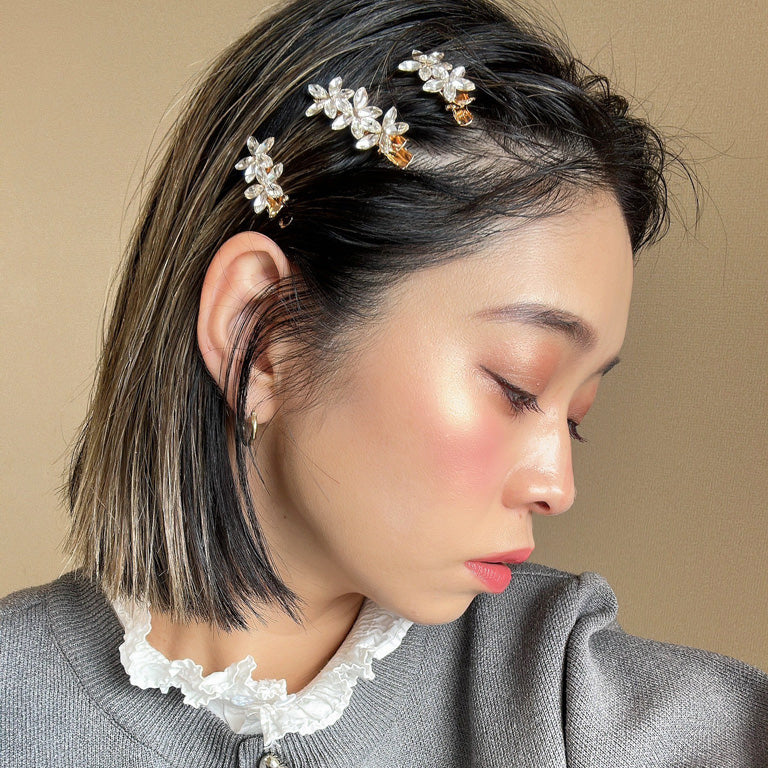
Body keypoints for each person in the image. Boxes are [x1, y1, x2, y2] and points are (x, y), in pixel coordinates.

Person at [1, 0, 766, 765]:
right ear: (261, 331)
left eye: (576, 415)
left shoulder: (563, 696)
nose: (557, 487)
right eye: (517, 384)